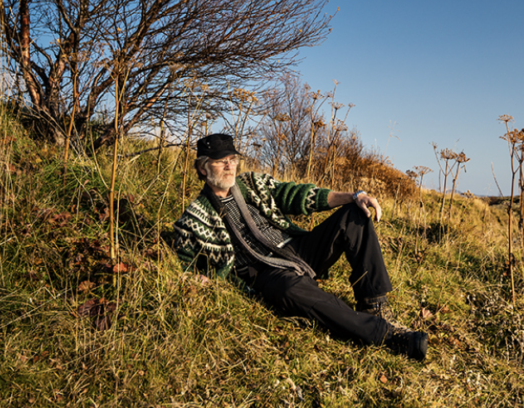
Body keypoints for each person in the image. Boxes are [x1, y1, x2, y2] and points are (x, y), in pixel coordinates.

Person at [173, 133, 427, 360]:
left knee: (354, 214)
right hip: (265, 273)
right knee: (289, 290)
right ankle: (387, 335)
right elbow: (186, 263)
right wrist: (200, 279)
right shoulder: (194, 217)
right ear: (203, 168)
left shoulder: (250, 183)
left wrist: (354, 196)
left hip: (297, 249)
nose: (229, 166)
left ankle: (374, 304)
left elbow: (297, 195)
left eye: (232, 159)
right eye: (220, 161)